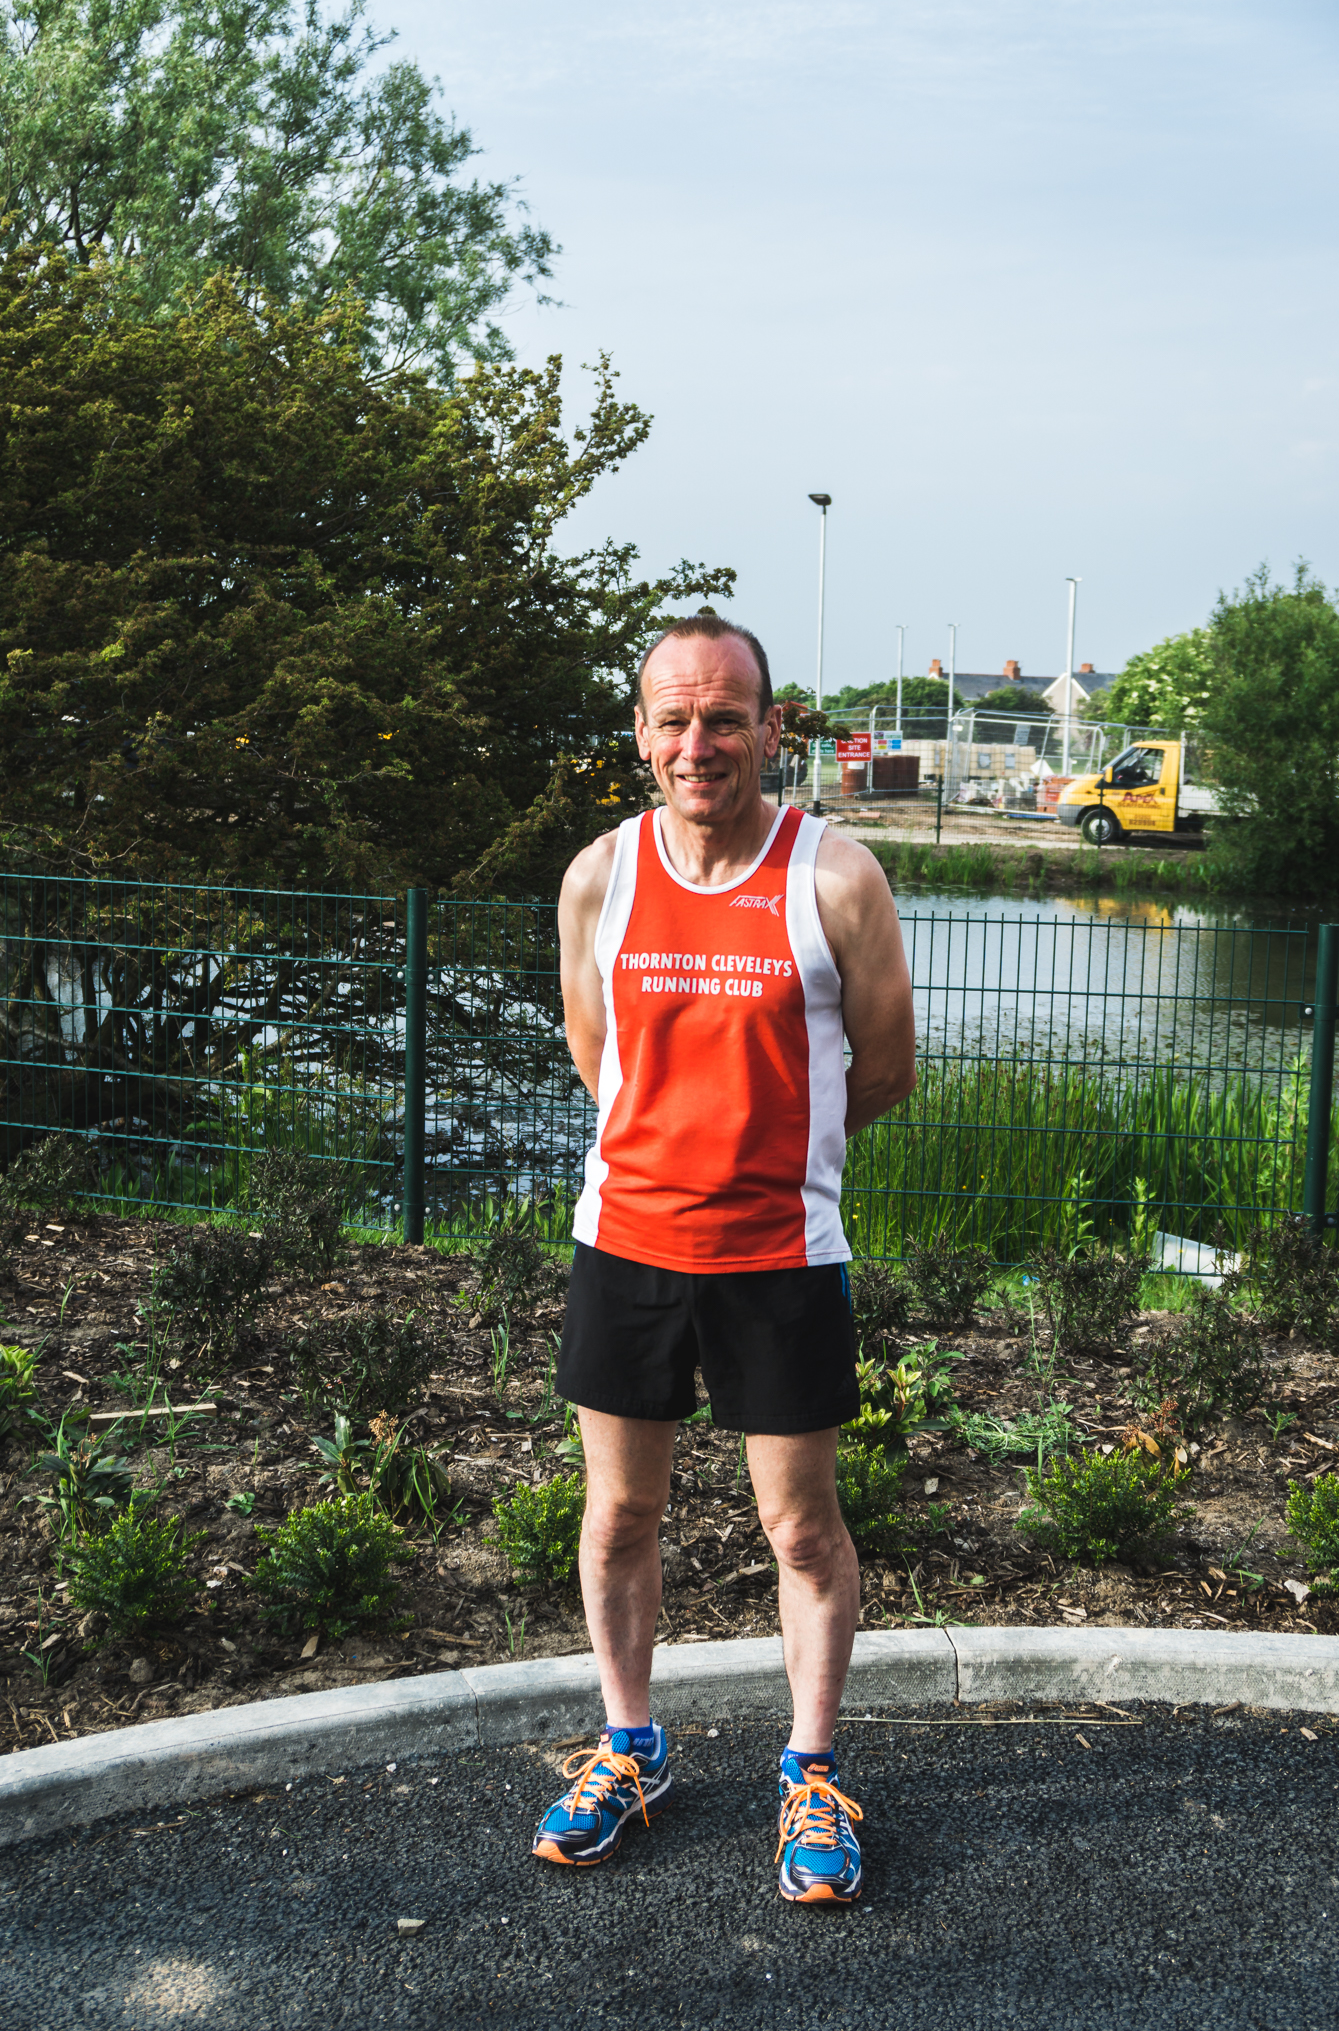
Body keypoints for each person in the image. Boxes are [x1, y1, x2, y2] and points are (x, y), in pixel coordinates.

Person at [531, 613, 917, 1902]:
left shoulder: (837, 878)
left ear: (768, 726)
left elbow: (885, 1072)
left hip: (780, 1258)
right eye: (674, 720)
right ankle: (629, 1749)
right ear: (641, 735)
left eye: (726, 718)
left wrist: (766, 1155)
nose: (701, 744)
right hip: (626, 1248)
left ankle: (812, 1774)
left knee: (801, 1531)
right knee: (619, 1515)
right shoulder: (600, 876)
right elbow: (602, 1066)